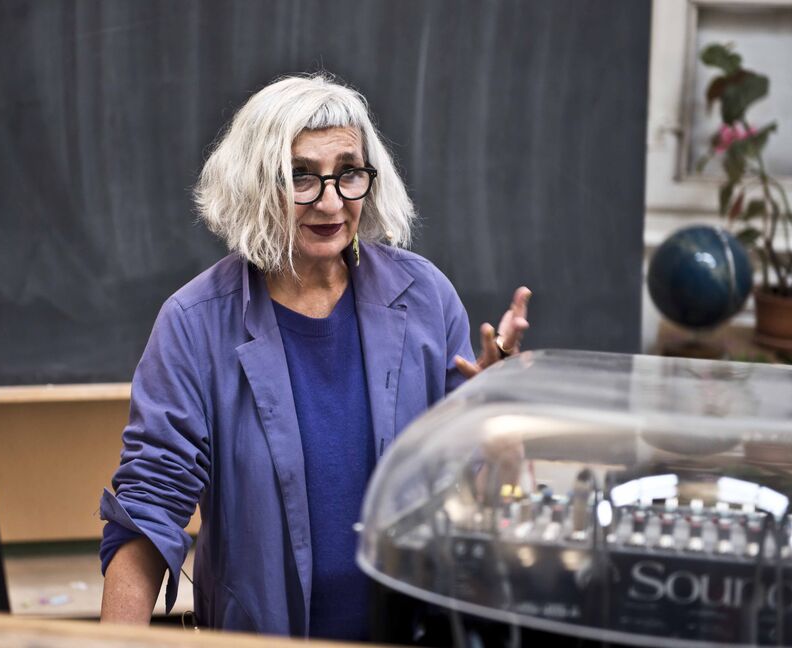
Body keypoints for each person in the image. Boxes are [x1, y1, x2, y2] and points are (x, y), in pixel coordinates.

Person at [98, 74, 531, 640]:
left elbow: (491, 495)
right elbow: (152, 501)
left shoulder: (425, 299)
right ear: (255, 184)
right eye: (299, 176)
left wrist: (498, 427)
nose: (330, 201)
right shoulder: (195, 323)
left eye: (348, 173)